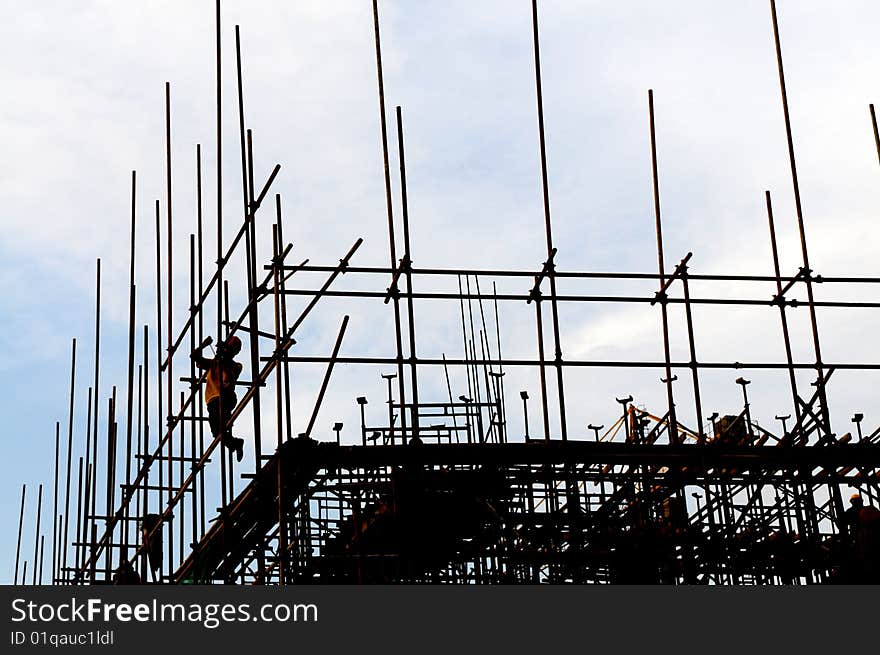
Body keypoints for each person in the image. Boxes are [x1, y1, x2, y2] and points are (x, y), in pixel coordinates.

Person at [192, 334, 245, 461]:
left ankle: (234, 443)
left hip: (225, 398)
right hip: (211, 400)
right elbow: (194, 357)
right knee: (217, 433)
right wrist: (204, 345)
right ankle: (234, 443)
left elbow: (228, 372)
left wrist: (222, 355)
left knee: (220, 428)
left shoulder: (236, 366)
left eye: (230, 349)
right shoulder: (214, 363)